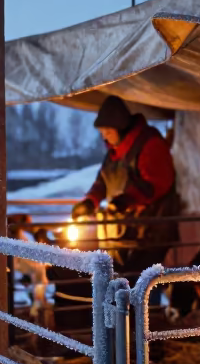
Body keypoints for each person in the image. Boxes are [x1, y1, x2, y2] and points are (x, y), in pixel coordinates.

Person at [72, 95, 180, 271]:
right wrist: (90, 202)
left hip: (149, 232)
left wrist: (126, 200)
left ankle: (149, 298)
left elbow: (157, 183)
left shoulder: (150, 144)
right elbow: (102, 182)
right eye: (102, 134)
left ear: (120, 127)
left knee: (141, 282)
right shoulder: (114, 153)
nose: (105, 138)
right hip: (122, 233)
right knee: (122, 281)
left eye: (108, 132)